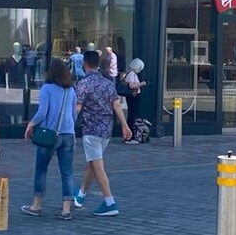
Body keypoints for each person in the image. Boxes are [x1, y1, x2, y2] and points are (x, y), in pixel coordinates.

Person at [73, 50, 131, 216]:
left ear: (85, 64)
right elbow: (116, 105)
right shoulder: (107, 83)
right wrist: (125, 125)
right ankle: (81, 195)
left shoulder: (84, 83)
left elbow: (78, 107)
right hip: (106, 130)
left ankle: (109, 202)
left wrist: (66, 123)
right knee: (93, 163)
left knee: (97, 166)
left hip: (91, 129)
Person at [22, 59, 77, 220]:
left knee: (41, 170)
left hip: (50, 135)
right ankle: (66, 210)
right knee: (67, 173)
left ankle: (37, 205)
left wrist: (30, 125)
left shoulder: (47, 88)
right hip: (68, 134)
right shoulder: (70, 90)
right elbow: (74, 115)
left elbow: (42, 112)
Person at [124, 58, 147, 144]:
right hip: (132, 97)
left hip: (133, 96)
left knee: (133, 116)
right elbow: (131, 86)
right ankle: (130, 137)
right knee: (132, 116)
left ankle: (131, 136)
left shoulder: (131, 73)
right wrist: (142, 84)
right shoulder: (131, 74)